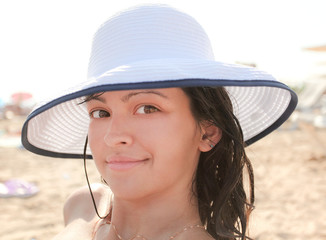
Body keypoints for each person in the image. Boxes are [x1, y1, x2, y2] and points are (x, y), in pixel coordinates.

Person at [21, 4, 297, 240]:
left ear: (208, 132)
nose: (113, 137)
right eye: (100, 113)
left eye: (147, 108)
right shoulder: (83, 206)